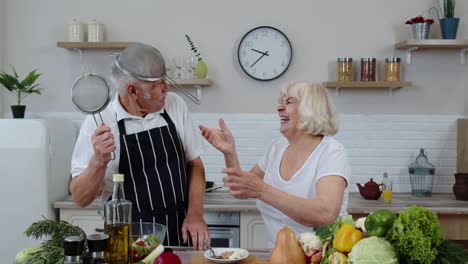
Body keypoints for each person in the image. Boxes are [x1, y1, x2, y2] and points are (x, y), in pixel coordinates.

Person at [70, 43, 209, 249]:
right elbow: (80, 198)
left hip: (179, 231)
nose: (166, 88)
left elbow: (195, 164)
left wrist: (195, 214)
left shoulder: (174, 104)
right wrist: (99, 161)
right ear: (132, 90)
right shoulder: (99, 122)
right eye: (157, 84)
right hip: (126, 241)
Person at [199, 81, 350, 248]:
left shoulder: (331, 152)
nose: (279, 107)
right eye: (281, 101)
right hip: (279, 256)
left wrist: (263, 190)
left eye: (289, 101)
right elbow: (240, 190)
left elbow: (326, 213)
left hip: (322, 256)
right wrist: (229, 152)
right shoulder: (276, 148)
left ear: (311, 109)